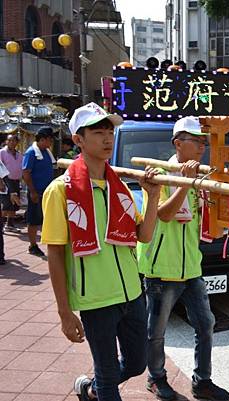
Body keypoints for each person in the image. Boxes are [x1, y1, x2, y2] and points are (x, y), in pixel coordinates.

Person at [41, 102, 161, 401]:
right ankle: (100, 388)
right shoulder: (61, 191)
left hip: (133, 294)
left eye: (110, 131)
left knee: (136, 364)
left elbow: (143, 235)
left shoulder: (119, 188)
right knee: (108, 376)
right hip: (96, 301)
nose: (108, 138)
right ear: (78, 140)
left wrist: (153, 196)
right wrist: (64, 312)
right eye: (98, 132)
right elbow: (55, 254)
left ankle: (89, 388)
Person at [137, 116, 229, 401]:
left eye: (204, 140)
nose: (202, 145)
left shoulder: (200, 176)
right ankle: (156, 378)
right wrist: (186, 183)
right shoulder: (159, 173)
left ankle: (202, 381)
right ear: (178, 143)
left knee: (206, 324)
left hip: (191, 268)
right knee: (157, 331)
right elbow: (164, 214)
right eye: (196, 140)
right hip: (161, 270)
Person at [23, 126, 56, 257]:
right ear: (42, 139)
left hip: (47, 192)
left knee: (44, 219)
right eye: (49, 140)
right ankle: (32, 245)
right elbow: (25, 172)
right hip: (36, 192)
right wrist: (33, 192)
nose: (51, 143)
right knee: (34, 220)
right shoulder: (31, 152)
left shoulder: (46, 151)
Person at [0, 134, 24, 229]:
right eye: (9, 140)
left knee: (14, 204)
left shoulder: (19, 154)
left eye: (14, 141)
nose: (11, 142)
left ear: (17, 143)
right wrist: (0, 182)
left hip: (16, 181)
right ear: (6, 141)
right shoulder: (1, 152)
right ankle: (1, 225)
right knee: (6, 204)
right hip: (6, 181)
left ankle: (9, 224)